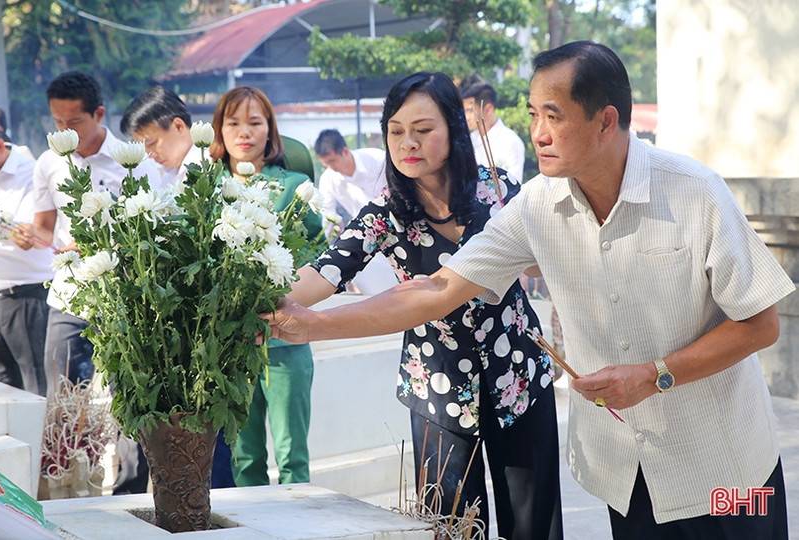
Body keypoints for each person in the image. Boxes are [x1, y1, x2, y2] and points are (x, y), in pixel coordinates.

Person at [266, 42, 794, 540]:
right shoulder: (535, 206)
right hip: (626, 471)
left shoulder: (694, 192)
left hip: (724, 469)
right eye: (532, 113)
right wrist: (316, 324)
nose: (536, 131)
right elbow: (438, 289)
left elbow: (760, 323)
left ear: (605, 121)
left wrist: (654, 375)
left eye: (553, 115)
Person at [280, 72, 562, 540]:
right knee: (452, 528)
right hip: (437, 385)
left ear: (453, 128)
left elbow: (539, 265)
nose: (407, 142)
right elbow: (327, 271)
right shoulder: (384, 213)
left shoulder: (501, 191)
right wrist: (266, 303)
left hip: (519, 377)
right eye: (395, 131)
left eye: (423, 130)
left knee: (535, 525)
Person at [12, 71, 160, 399]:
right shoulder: (49, 162)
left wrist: (105, 241)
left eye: (75, 122)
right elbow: (45, 226)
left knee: (129, 398)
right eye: (57, 122)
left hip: (125, 297)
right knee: (63, 398)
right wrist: (27, 235)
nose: (65, 131)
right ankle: (70, 453)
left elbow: (152, 232)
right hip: (70, 295)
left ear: (99, 114)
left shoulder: (134, 162)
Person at [209, 85, 323, 488]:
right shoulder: (206, 187)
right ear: (218, 131)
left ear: (270, 130)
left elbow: (318, 253)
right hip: (231, 346)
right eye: (233, 122)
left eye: (255, 122)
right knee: (245, 459)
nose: (244, 132)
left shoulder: (293, 186)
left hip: (284, 339)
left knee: (293, 457)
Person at [0, 121, 53, 396]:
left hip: (28, 293)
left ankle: (40, 439)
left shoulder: (31, 172)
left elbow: (33, 235)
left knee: (35, 383)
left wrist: (19, 233)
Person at [313, 128, 397, 295]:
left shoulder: (377, 160)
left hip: (398, 227)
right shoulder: (328, 179)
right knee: (381, 293)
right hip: (367, 238)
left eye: (332, 161)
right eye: (325, 164)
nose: (330, 167)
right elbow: (327, 217)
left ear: (345, 151)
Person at [119, 86, 202, 188]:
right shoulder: (169, 174)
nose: (150, 155)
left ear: (178, 127)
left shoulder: (208, 168)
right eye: (144, 147)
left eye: (151, 143)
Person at [460, 81, 525, 181]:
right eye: (464, 111)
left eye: (470, 111)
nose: (466, 117)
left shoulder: (511, 142)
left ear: (488, 109)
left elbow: (513, 187)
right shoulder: (468, 139)